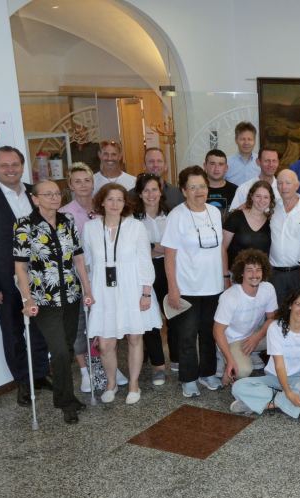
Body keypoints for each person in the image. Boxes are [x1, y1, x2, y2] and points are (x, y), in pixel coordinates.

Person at [0, 146, 50, 407]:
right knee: (13, 332)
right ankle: (23, 383)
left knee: (40, 329)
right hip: (5, 280)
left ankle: (39, 375)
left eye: (15, 164)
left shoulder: (34, 193)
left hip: (39, 277)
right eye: (4, 165)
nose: (10, 169)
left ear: (23, 165)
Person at [13, 180, 95, 424]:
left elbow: (78, 257)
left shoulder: (67, 220)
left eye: (57, 193)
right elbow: (20, 266)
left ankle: (63, 395)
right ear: (35, 199)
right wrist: (26, 299)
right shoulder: (24, 226)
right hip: (43, 299)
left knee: (68, 347)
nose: (54, 198)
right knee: (58, 351)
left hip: (70, 295)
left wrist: (87, 289)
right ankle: (66, 401)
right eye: (47, 194)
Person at [83, 183, 161, 405]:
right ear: (102, 202)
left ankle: (134, 384)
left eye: (119, 199)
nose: (115, 204)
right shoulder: (90, 228)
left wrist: (146, 293)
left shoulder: (135, 227)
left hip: (132, 288)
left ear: (125, 203)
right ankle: (111, 383)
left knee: (135, 337)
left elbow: (145, 261)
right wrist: (87, 291)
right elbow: (87, 263)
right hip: (102, 292)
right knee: (106, 343)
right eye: (110, 199)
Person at [162, 166, 226, 398]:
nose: (199, 191)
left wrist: (225, 277)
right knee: (187, 335)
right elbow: (169, 256)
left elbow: (220, 249)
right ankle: (188, 378)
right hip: (187, 286)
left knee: (209, 332)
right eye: (193, 187)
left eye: (202, 186)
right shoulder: (176, 216)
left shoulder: (214, 212)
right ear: (184, 190)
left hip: (213, 286)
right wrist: (173, 288)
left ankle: (207, 372)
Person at [229, 288, 300, 429]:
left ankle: (263, 403)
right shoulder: (276, 328)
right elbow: (279, 366)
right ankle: (287, 403)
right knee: (238, 387)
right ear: (290, 305)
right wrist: (288, 393)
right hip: (276, 377)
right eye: (299, 305)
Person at [60, 162, 99, 391]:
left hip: (102, 276)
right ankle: (85, 371)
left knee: (101, 323)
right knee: (80, 326)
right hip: (77, 278)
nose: (83, 185)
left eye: (87, 180)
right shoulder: (65, 214)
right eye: (78, 181)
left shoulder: (103, 206)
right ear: (70, 185)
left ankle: (103, 366)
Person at [213, 249, 277, 382]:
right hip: (231, 340)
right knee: (243, 371)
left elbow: (273, 318)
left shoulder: (268, 289)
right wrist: (231, 361)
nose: (255, 274)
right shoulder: (230, 297)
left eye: (258, 269)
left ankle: (250, 353)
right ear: (241, 273)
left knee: (284, 333)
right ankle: (223, 355)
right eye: (249, 270)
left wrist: (257, 337)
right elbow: (217, 331)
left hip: (252, 336)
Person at [134, 173, 174, 386]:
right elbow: (136, 249)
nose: (151, 194)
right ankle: (158, 365)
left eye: (155, 189)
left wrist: (152, 247)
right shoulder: (132, 218)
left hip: (168, 268)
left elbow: (175, 246)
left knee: (173, 314)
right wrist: (156, 247)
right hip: (143, 271)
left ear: (161, 191)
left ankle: (176, 358)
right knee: (150, 319)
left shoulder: (171, 214)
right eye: (146, 190)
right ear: (140, 193)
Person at [269, 169, 300, 304]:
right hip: (275, 274)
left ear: (297, 185)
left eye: (288, 183)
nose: (283, 187)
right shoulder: (272, 207)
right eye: (279, 183)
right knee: (276, 314)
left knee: (299, 312)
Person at [223, 180, 273, 269]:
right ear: (251, 196)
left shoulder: (270, 223)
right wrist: (225, 275)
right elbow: (222, 249)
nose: (262, 200)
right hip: (234, 275)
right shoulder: (236, 217)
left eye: (266, 197)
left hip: (258, 276)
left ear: (270, 200)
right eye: (258, 196)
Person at [203, 149, 238, 214]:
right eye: (212, 164)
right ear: (205, 166)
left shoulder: (236, 190)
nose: (216, 168)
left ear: (226, 168)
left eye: (221, 164)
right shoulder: (197, 190)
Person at [225, 121, 259, 186]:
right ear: (236, 140)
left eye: (249, 139)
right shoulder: (227, 162)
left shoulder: (261, 162)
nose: (246, 143)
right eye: (242, 139)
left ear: (254, 141)